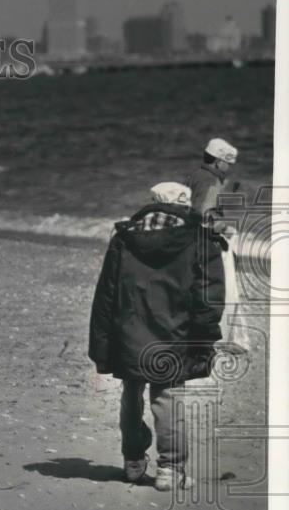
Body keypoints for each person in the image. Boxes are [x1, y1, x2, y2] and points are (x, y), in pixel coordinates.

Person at [88, 182, 225, 492]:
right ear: (183, 203)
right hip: (175, 333)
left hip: (128, 331)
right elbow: (209, 298)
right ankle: (170, 469)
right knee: (167, 399)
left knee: (131, 397)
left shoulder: (124, 238)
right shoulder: (199, 238)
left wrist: (100, 344)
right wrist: (205, 339)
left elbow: (106, 296)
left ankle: (133, 461)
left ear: (153, 203)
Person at [183, 138, 243, 349]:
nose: (229, 169)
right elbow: (204, 214)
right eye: (228, 164)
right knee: (211, 290)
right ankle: (209, 338)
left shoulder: (194, 176)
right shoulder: (212, 181)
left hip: (187, 238)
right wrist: (226, 229)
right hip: (202, 242)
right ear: (218, 162)